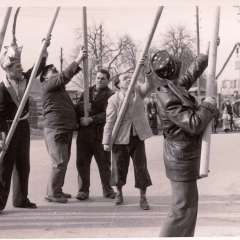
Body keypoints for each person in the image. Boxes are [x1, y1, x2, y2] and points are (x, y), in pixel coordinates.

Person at [145, 39, 219, 236]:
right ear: (173, 71)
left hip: (182, 156)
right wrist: (208, 105)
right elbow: (194, 124)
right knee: (182, 210)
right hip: (180, 159)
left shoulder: (173, 87)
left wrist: (206, 53)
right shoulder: (168, 98)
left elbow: (191, 73)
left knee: (188, 209)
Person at [0, 37, 50, 212]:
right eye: (17, 67)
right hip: (7, 129)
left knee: (23, 164)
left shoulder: (25, 80)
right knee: (5, 166)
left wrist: (44, 50)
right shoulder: (2, 88)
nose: (21, 69)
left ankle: (21, 199)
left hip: (23, 127)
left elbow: (38, 67)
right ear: (8, 69)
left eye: (21, 66)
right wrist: (1, 135)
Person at [102, 59, 154, 210]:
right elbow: (110, 122)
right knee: (119, 168)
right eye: (125, 78)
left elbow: (150, 85)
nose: (129, 79)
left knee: (141, 168)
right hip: (119, 139)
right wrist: (106, 141)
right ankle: (119, 193)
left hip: (137, 137)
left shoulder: (138, 91)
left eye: (130, 77)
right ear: (118, 84)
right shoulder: (113, 100)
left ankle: (143, 197)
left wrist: (147, 70)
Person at [41, 46, 88, 203]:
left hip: (64, 128)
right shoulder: (48, 86)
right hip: (57, 128)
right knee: (59, 162)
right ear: (45, 78)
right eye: (52, 70)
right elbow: (63, 76)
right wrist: (78, 59)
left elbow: (69, 109)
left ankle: (56, 190)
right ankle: (52, 193)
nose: (55, 70)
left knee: (63, 161)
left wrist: (82, 107)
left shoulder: (59, 91)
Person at [75, 69, 116, 200]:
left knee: (104, 163)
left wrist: (91, 119)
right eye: (97, 78)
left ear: (108, 81)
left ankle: (108, 190)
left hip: (100, 134)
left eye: (102, 78)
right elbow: (77, 108)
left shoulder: (111, 94)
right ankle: (83, 190)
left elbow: (109, 114)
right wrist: (83, 107)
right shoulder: (87, 92)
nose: (99, 80)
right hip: (84, 134)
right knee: (82, 163)